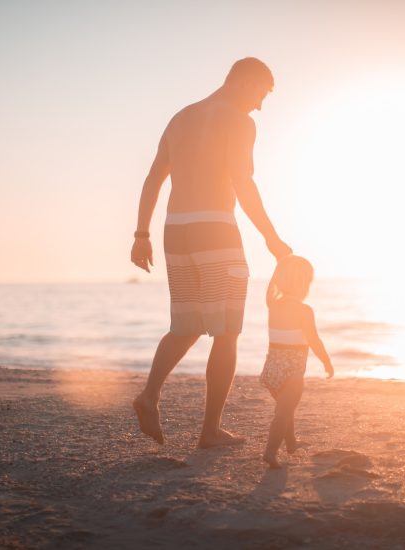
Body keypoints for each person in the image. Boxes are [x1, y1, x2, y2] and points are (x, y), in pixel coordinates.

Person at [130, 58, 292, 448]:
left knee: (185, 326)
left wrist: (141, 234)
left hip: (176, 230)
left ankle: (149, 395)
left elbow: (154, 177)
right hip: (215, 229)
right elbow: (243, 183)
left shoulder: (181, 117)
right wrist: (271, 237)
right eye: (260, 94)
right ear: (244, 81)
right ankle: (209, 432)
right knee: (227, 331)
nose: (259, 106)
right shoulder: (238, 121)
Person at [260, 255, 334, 468]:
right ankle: (270, 452)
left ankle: (291, 443)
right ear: (304, 285)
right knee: (283, 413)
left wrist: (278, 267)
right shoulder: (304, 310)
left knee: (286, 408)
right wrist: (326, 361)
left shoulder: (273, 304)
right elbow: (313, 339)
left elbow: (270, 288)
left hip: (272, 369)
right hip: (292, 370)